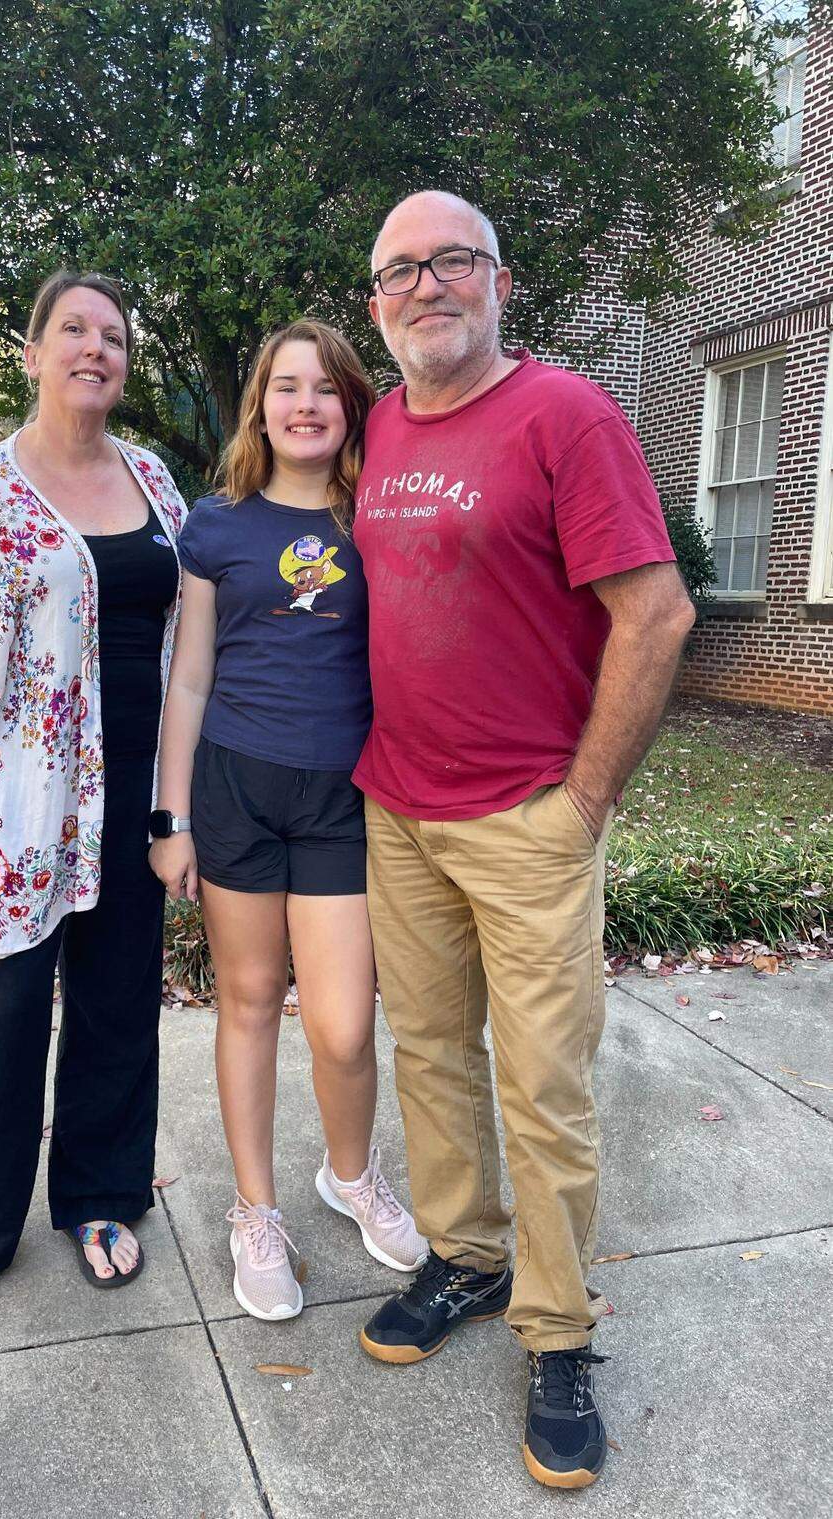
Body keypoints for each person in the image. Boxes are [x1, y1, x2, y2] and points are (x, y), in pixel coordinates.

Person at [353, 193, 695, 1487]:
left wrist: (585, 801)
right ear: (377, 303)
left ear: (501, 282)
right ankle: (467, 1257)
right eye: (401, 270)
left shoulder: (567, 415)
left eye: (453, 260)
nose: (426, 285)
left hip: (527, 821)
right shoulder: (385, 426)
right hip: (400, 810)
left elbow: (656, 613)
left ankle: (556, 1329)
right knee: (432, 1053)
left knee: (543, 1087)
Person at [0, 269, 187, 1307]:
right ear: (32, 353)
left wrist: (179, 804)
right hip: (19, 802)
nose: (94, 347)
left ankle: (102, 1195)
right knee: (12, 1009)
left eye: (112, 335)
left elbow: (188, 642)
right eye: (72, 328)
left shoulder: (156, 480)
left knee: (117, 1003)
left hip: (136, 795)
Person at [149, 320, 426, 1323]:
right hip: (235, 789)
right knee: (253, 999)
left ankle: (350, 1175)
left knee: (345, 1025)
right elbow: (189, 677)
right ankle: (256, 1212)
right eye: (285, 386)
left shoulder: (378, 514)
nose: (304, 404)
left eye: (324, 388)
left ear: (352, 405)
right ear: (259, 406)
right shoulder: (215, 525)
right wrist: (171, 816)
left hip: (341, 796)